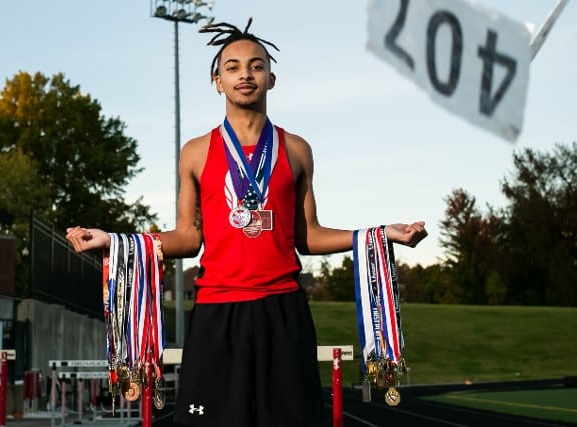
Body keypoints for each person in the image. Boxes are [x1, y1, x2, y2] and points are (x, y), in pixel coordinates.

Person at [66, 18, 427, 427]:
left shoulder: (296, 149)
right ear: (217, 81)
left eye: (255, 66)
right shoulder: (196, 152)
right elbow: (187, 238)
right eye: (233, 67)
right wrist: (115, 241)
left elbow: (308, 236)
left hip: (283, 311)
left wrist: (379, 234)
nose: (245, 74)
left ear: (271, 78)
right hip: (218, 313)